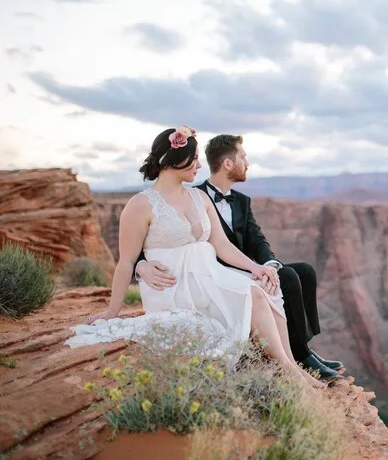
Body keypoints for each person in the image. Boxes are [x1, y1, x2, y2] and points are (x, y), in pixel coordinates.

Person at [66, 126, 321, 391]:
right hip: (174, 287)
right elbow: (126, 261)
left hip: (208, 275)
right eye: (194, 158)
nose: (199, 165)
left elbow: (221, 245)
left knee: (264, 288)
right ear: (173, 160)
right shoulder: (140, 205)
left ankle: (291, 366)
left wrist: (256, 268)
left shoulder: (199, 197)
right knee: (253, 295)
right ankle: (291, 372)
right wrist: (112, 311)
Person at [134, 134, 343, 379]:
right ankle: (298, 355)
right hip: (212, 272)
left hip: (243, 265)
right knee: (286, 277)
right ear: (227, 164)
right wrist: (140, 264)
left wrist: (268, 265)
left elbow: (257, 239)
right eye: (243, 157)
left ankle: (303, 348)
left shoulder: (242, 201)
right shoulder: (192, 196)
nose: (248, 163)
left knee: (304, 271)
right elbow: (158, 236)